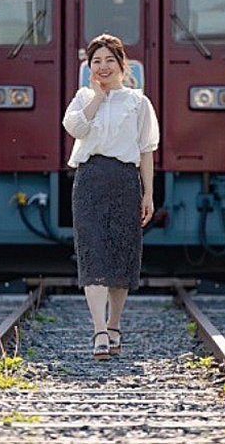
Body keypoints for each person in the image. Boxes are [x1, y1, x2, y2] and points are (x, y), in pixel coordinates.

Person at [61, 34, 160, 360]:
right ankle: (99, 331)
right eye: (96, 62)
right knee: (93, 255)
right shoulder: (82, 98)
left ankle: (115, 324)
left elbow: (146, 151)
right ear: (89, 67)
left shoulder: (138, 102)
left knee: (121, 256)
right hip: (89, 180)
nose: (103, 67)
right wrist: (98, 98)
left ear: (121, 64)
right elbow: (75, 129)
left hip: (125, 182)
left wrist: (148, 193)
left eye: (109, 61)